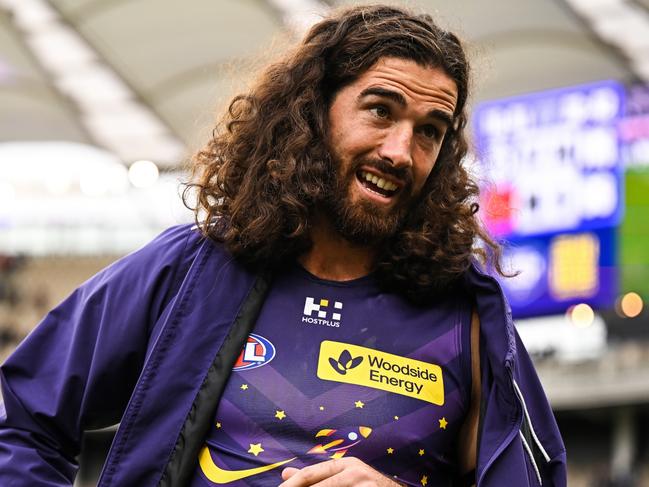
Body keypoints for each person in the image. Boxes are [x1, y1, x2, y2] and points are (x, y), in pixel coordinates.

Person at [0, 5, 566, 486]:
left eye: (430, 131)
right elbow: (20, 416)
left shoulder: (471, 321)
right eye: (380, 111)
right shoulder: (188, 273)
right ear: (313, 113)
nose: (400, 151)